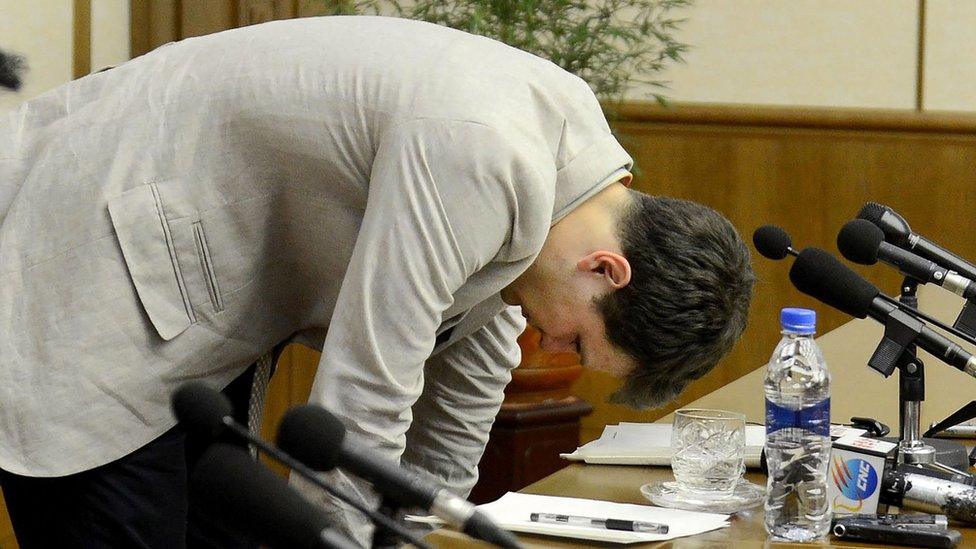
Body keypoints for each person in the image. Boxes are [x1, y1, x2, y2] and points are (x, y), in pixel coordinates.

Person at [0, 15, 754, 548]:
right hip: (91, 262)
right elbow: (366, 388)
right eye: (578, 336)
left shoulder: (569, 188)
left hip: (185, 304)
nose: (548, 343)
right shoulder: (487, 153)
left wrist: (413, 531)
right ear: (607, 268)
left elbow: (463, 397)